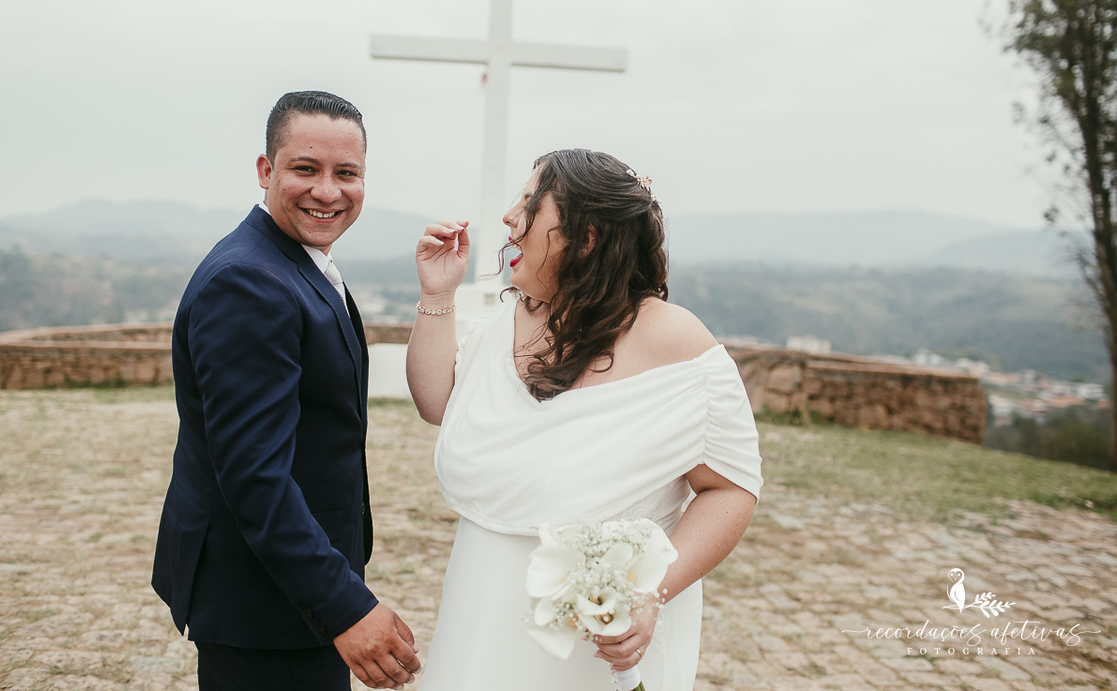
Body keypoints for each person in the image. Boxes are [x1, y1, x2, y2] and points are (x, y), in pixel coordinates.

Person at [406, 148, 763, 690]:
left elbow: (731, 487)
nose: (508, 217)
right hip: (479, 610)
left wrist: (649, 593)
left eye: (529, 202)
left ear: (586, 236)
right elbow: (437, 403)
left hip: (595, 645)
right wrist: (438, 293)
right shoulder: (508, 319)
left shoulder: (676, 341)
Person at [152, 91, 421, 691]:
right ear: (265, 170)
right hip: (264, 600)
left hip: (291, 592)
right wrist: (345, 604)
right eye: (306, 169)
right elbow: (254, 476)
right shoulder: (250, 281)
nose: (328, 191)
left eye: (346, 173)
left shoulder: (297, 260)